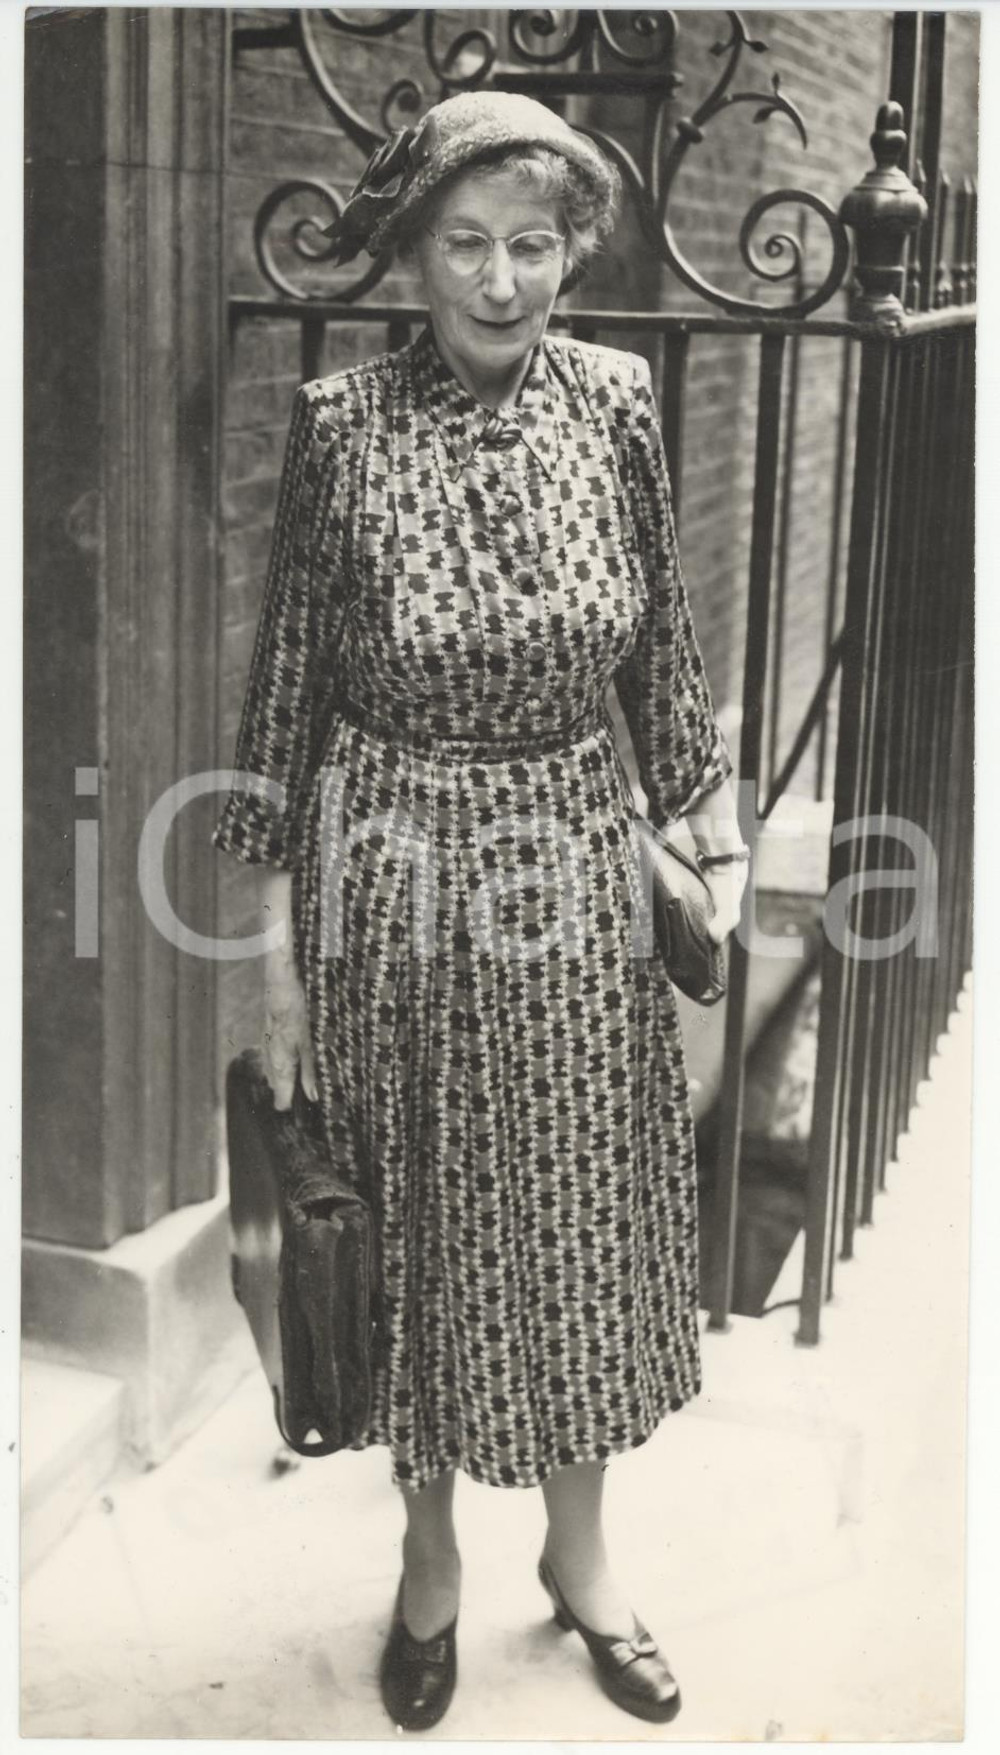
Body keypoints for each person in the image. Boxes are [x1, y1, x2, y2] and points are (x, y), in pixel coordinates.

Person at [214, 89, 750, 1734]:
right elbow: (288, 692)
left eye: (534, 243)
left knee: (584, 1216)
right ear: (413, 251)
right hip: (387, 863)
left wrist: (705, 847)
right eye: (467, 243)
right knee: (415, 1234)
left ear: (572, 252)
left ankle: (581, 1563)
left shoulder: (620, 406)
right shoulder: (340, 424)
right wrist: (273, 962)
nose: (504, 278)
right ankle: (432, 1562)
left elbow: (662, 649)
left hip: (572, 855)